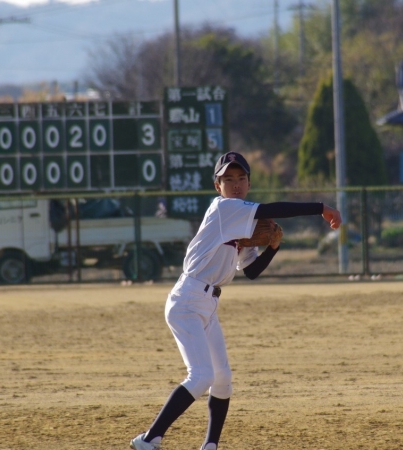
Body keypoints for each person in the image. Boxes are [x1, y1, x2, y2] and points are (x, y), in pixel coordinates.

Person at [130, 151, 341, 450]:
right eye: (228, 179)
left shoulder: (242, 223)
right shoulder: (223, 208)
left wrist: (273, 248)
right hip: (188, 300)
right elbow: (273, 208)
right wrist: (321, 208)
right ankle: (149, 439)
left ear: (249, 183)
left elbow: (251, 271)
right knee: (201, 376)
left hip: (207, 303)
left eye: (241, 178)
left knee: (222, 379)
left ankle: (210, 446)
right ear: (218, 186)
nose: (236, 184)